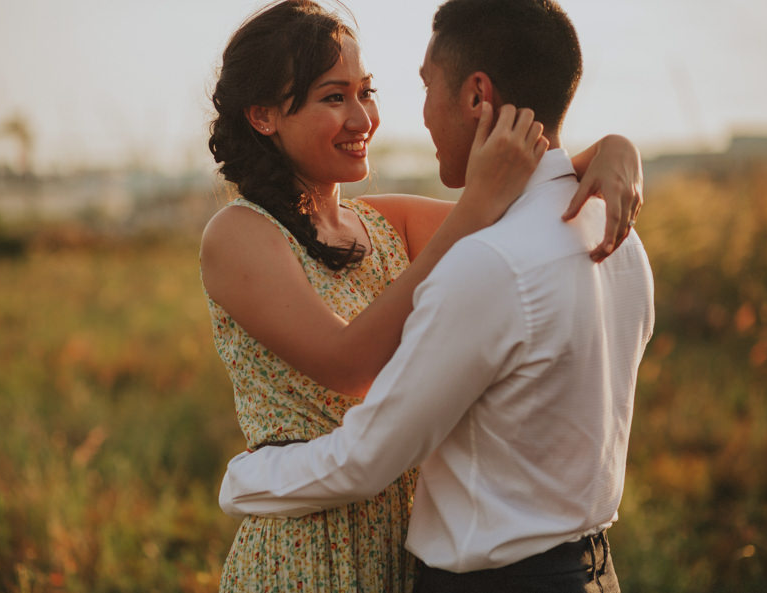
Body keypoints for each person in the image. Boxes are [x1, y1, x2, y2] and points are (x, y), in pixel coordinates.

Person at [203, 0, 645, 591]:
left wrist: (615, 147)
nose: (364, 118)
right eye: (334, 98)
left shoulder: (382, 223)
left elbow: (531, 204)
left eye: (367, 91)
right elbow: (347, 363)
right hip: (306, 546)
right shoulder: (239, 234)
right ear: (262, 116)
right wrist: (472, 213)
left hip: (399, 537)